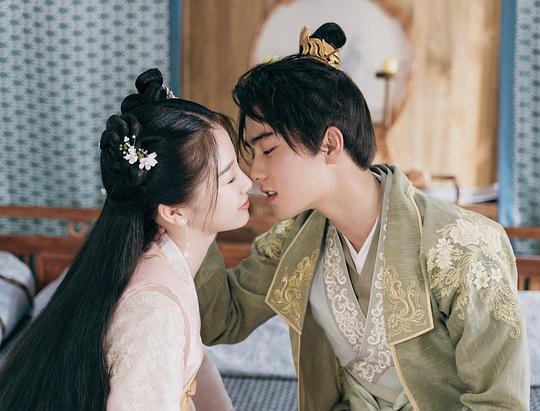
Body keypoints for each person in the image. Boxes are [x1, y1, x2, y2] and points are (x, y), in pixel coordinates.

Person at [195, 23, 530, 410]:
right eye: (251, 155)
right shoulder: (294, 239)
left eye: (267, 149)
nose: (254, 172)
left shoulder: (462, 247)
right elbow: (222, 318)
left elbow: (500, 403)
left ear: (330, 144)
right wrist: (198, 216)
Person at [0, 68, 251, 410]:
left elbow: (199, 370)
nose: (248, 183)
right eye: (230, 178)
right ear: (173, 211)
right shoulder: (154, 309)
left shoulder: (166, 262)